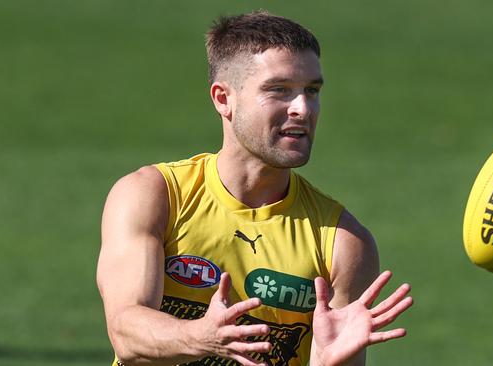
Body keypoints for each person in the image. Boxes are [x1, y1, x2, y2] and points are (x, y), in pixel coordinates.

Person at [97, 11, 413, 366]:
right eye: (279, 90)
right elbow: (127, 332)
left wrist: (326, 363)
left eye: (312, 91)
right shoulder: (155, 196)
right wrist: (201, 337)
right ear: (223, 99)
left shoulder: (342, 242)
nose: (302, 109)